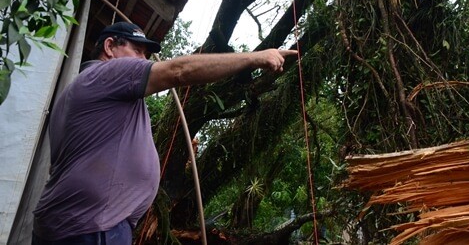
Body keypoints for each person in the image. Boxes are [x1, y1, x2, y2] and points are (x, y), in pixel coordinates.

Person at [32, 21, 295, 245]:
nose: (143, 61)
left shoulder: (82, 89)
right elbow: (178, 71)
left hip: (74, 224)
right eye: (137, 50)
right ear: (109, 47)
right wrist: (255, 57)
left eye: (146, 54)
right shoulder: (107, 74)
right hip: (92, 226)